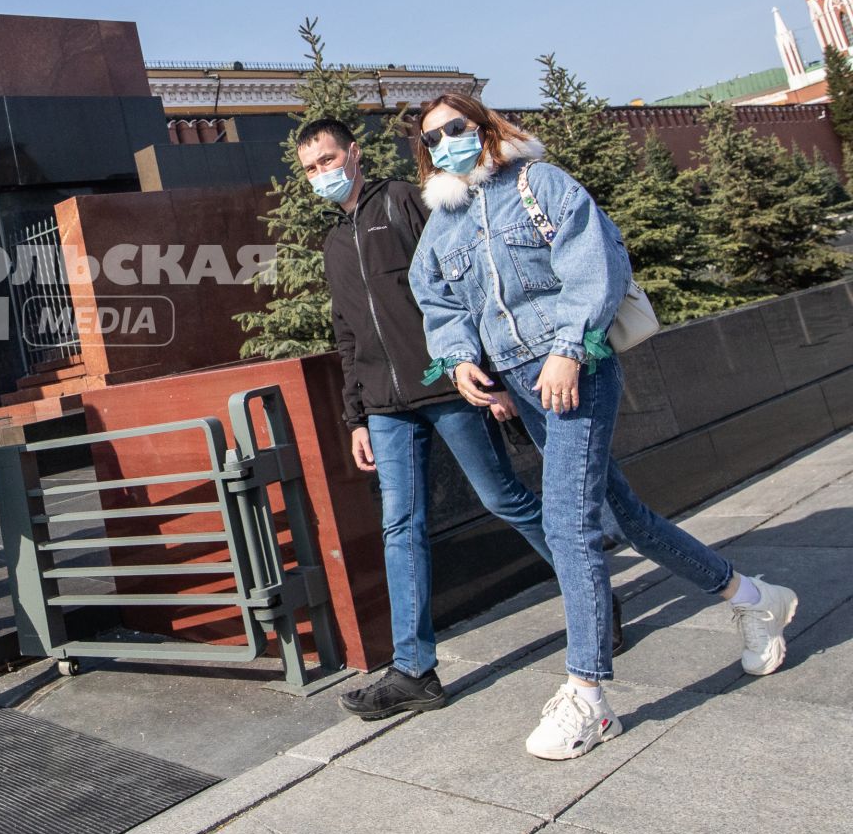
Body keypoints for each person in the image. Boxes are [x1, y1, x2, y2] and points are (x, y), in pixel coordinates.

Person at [409, 93, 798, 760]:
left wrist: (567, 350)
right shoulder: (444, 222)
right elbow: (434, 293)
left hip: (576, 368)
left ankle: (588, 696)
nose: (446, 142)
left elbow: (597, 262)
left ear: (483, 126)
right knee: (626, 517)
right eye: (433, 138)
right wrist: (465, 363)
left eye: (456, 128)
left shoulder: (538, 182)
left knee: (568, 525)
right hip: (520, 382)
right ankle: (756, 596)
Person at [298, 117, 577, 722]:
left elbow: (465, 283)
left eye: (328, 159)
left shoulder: (402, 203)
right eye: (312, 169)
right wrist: (356, 418)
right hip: (386, 407)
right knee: (400, 526)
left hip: (449, 387)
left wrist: (489, 376)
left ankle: (591, 600)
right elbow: (346, 336)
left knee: (503, 498)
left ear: (354, 153)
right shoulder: (333, 243)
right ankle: (414, 671)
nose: (323, 174)